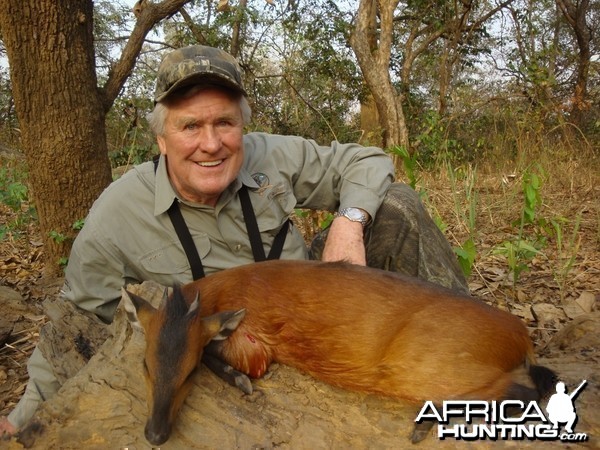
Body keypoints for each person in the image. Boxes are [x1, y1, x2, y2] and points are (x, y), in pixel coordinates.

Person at [0, 45, 467, 437]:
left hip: (313, 309)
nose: (211, 144)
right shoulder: (116, 214)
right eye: (189, 127)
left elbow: (368, 161)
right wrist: (24, 418)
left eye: (224, 123)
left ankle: (465, 356)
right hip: (231, 348)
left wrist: (349, 222)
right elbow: (77, 319)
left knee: (396, 205)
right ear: (161, 139)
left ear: (241, 125)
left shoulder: (269, 154)